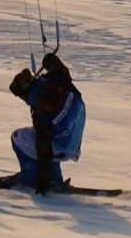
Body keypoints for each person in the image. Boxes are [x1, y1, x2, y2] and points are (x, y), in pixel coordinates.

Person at [7, 50, 86, 193]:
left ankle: (30, 178)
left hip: (64, 147)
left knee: (18, 138)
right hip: (76, 140)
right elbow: (58, 66)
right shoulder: (57, 77)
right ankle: (55, 180)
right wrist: (48, 59)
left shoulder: (41, 113)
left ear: (25, 93)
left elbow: (44, 152)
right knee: (46, 138)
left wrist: (42, 185)